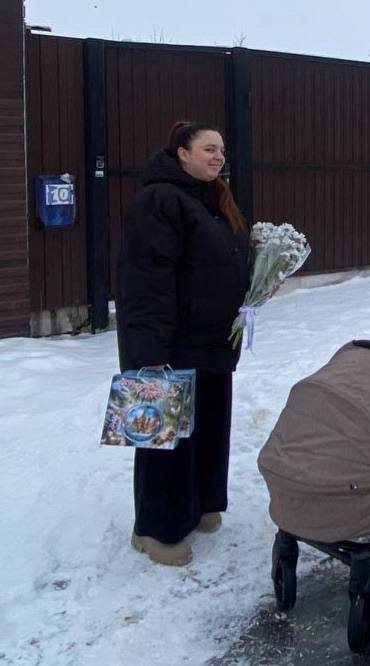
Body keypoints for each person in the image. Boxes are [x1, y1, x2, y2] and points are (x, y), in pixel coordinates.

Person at [117, 121, 250, 566]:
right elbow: (146, 280)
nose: (219, 156)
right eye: (209, 149)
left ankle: (199, 504)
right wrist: (149, 356)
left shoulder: (213, 198)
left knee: (207, 431)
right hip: (172, 344)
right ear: (182, 153)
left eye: (222, 150)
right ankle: (154, 531)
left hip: (212, 341)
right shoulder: (158, 200)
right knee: (165, 441)